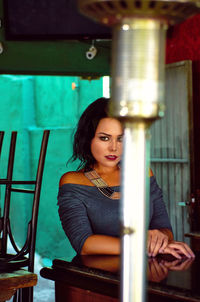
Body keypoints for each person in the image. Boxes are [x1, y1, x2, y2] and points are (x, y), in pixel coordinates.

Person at [58, 97, 195, 259]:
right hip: (95, 276)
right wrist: (139, 244)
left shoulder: (142, 173)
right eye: (104, 138)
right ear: (88, 138)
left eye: (121, 138)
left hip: (147, 270)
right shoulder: (72, 181)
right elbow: (84, 244)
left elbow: (164, 229)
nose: (114, 147)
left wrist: (159, 239)